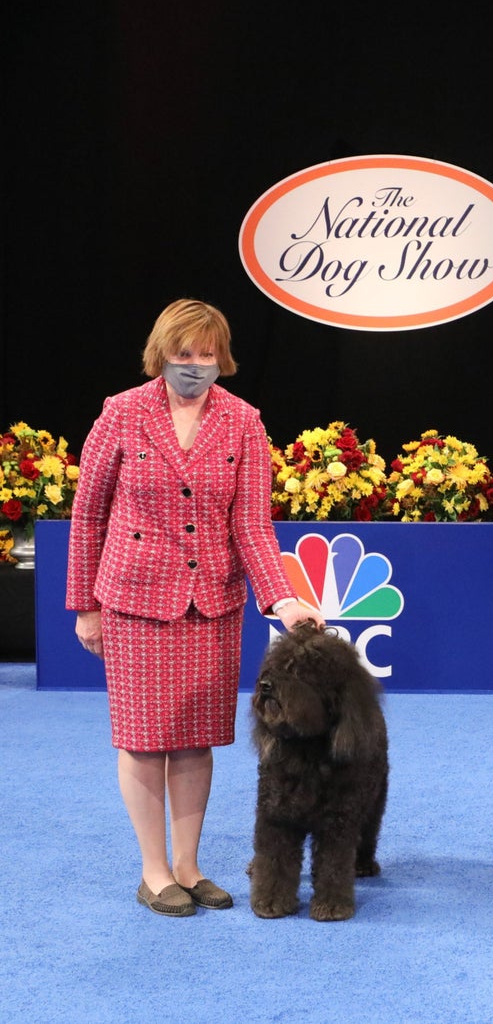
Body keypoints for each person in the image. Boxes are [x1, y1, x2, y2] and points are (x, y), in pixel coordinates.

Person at [66, 298, 324, 917]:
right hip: (131, 601)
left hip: (211, 605)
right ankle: (154, 871)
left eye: (206, 355)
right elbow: (89, 512)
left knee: (194, 742)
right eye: (184, 354)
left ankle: (188, 864)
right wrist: (84, 604)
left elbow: (253, 528)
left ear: (221, 358)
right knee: (143, 740)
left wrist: (282, 598)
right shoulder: (121, 413)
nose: (195, 365)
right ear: (162, 354)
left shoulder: (243, 422)